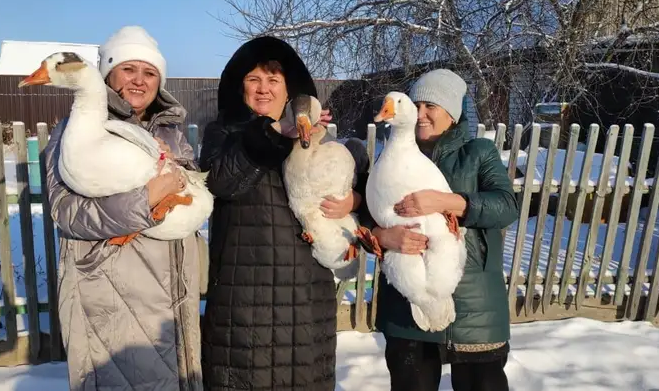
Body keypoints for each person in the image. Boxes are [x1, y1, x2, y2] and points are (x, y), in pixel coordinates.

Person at [199, 36, 365, 391]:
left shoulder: (318, 139)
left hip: (306, 301)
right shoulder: (224, 133)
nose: (263, 89)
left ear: (289, 88)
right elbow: (222, 182)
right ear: (238, 86)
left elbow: (358, 190)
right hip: (243, 305)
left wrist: (355, 200)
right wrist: (274, 133)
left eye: (273, 80)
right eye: (253, 79)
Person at [45, 25, 204, 390]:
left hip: (173, 295)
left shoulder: (171, 134)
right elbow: (66, 212)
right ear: (107, 75)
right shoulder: (76, 131)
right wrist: (144, 201)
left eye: (149, 73)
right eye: (128, 69)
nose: (139, 80)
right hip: (112, 293)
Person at [369, 69, 518, 391]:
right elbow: (366, 214)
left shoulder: (478, 152)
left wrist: (447, 201)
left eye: (430, 107)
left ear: (452, 112)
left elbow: (506, 206)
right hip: (408, 303)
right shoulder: (389, 158)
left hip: (474, 306)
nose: (421, 115)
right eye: (416, 105)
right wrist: (381, 236)